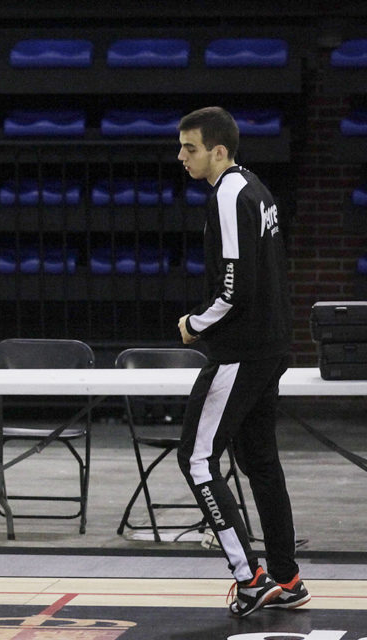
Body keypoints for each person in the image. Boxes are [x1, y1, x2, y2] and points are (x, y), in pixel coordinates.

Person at [175, 106, 309, 618]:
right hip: (270, 346)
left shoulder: (229, 193)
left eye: (190, 148)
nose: (181, 157)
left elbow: (233, 286)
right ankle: (287, 577)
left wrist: (195, 323)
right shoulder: (255, 186)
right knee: (260, 463)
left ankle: (249, 577)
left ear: (219, 150)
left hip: (240, 351)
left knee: (197, 459)